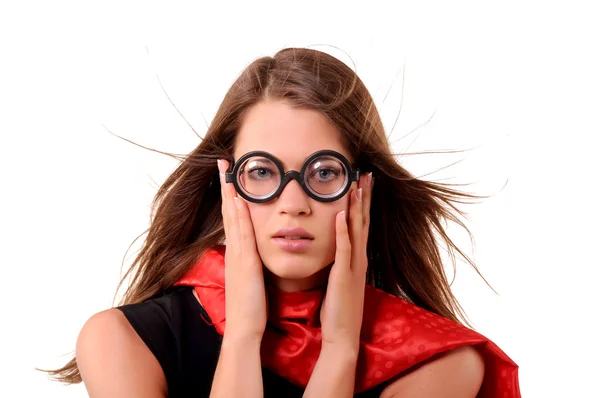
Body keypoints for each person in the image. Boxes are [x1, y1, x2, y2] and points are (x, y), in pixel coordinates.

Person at [42, 47, 520, 397]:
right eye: (262, 172)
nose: (293, 203)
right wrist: (243, 336)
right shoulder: (120, 341)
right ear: (226, 185)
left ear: (365, 188)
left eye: (325, 172)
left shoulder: (440, 364)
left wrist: (339, 349)